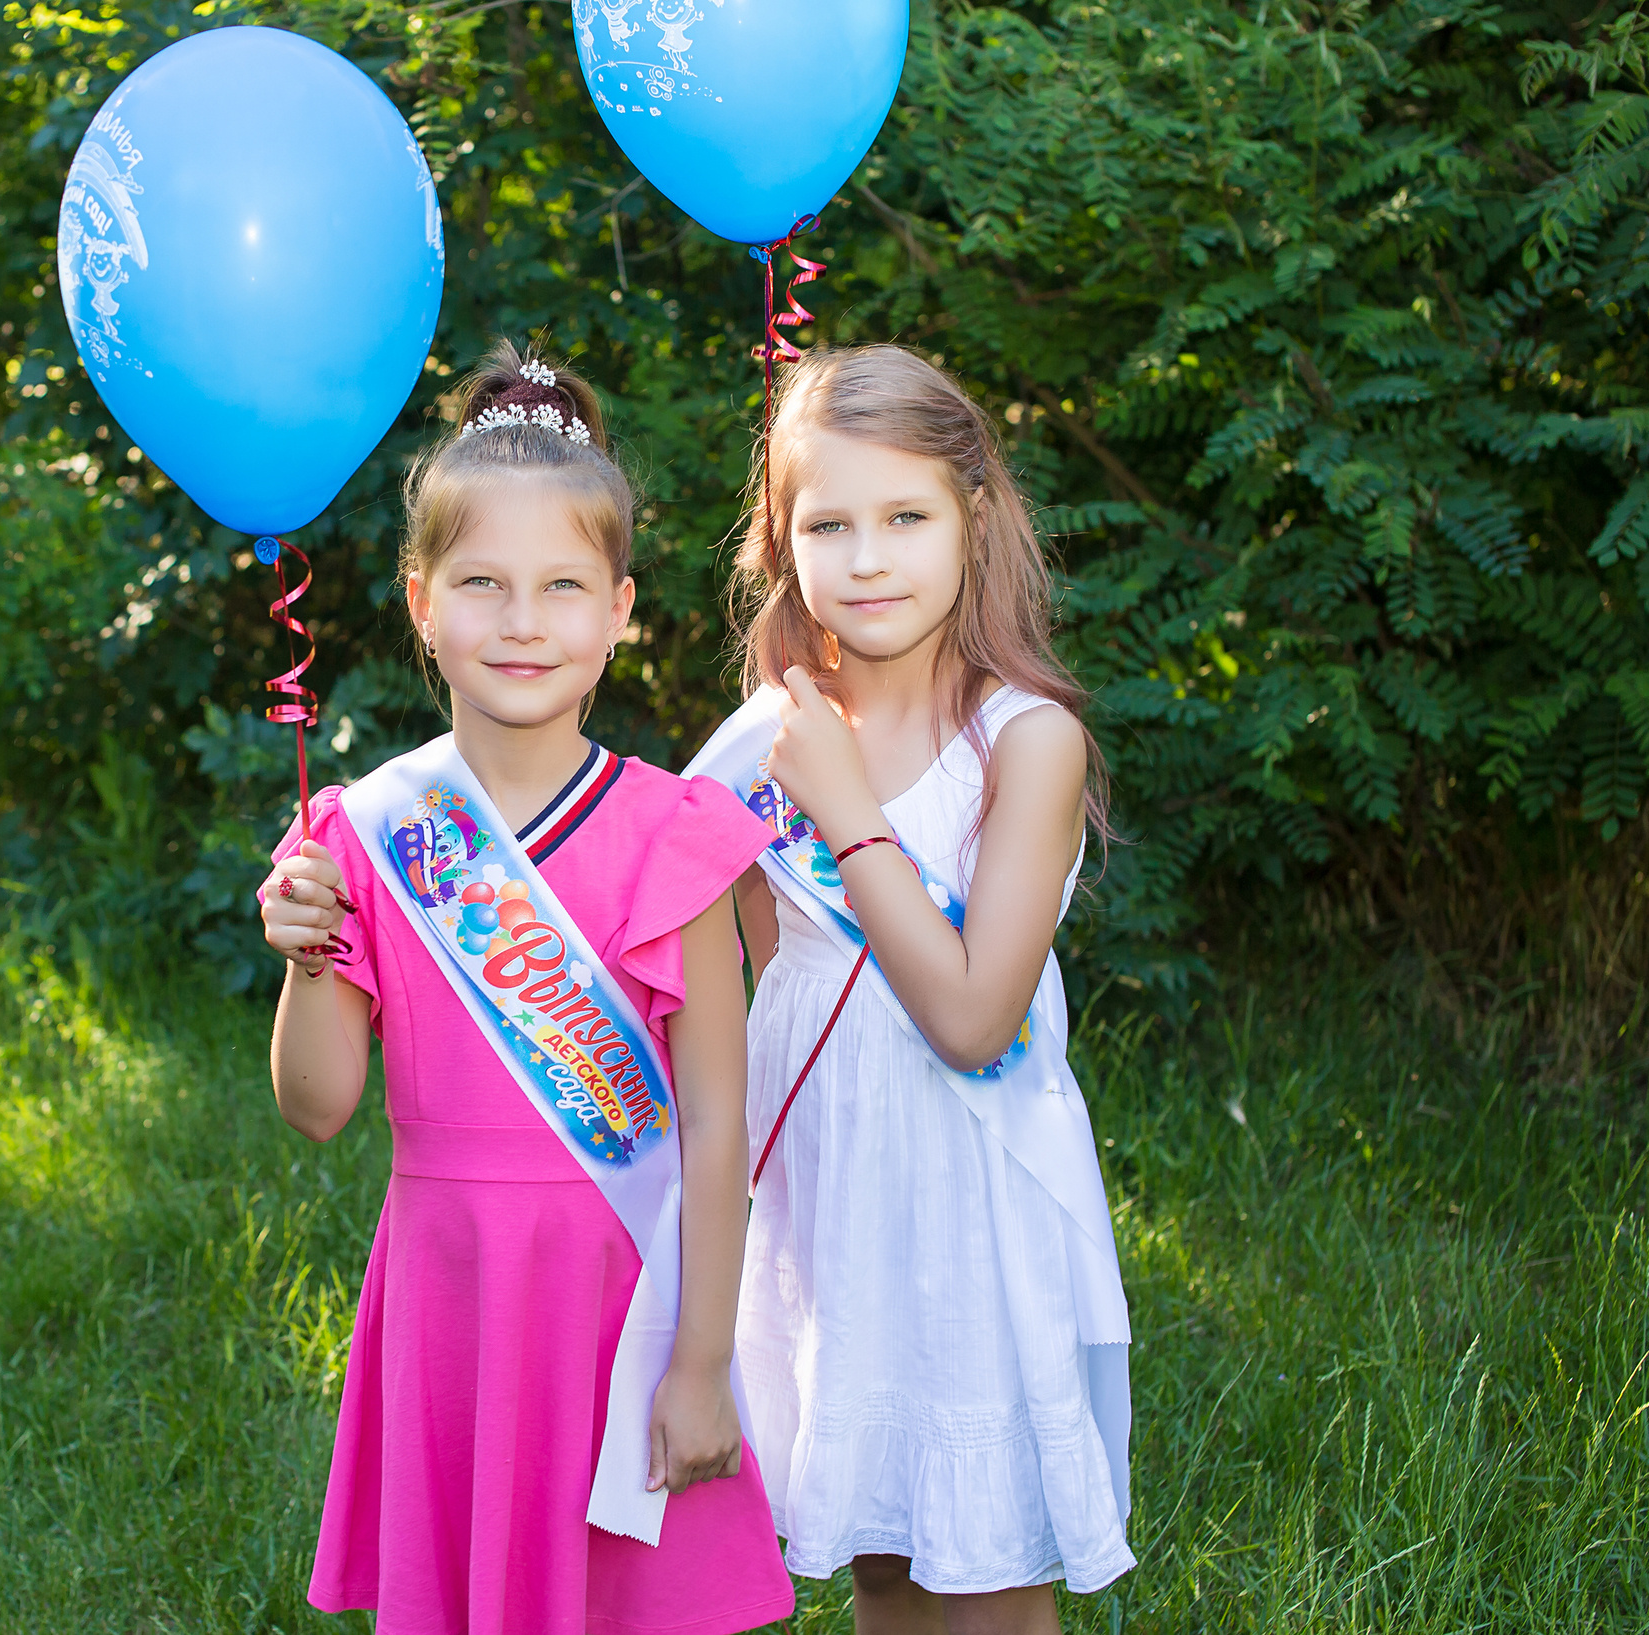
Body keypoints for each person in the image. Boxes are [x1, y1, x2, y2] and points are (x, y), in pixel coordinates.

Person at [258, 341, 796, 1635]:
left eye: (562, 587)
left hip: (625, 1299)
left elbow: (718, 1124)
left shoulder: (675, 835)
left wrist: (706, 1363)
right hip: (450, 1296)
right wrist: (310, 953)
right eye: (483, 584)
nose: (521, 620)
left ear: (620, 608)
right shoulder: (376, 830)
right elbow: (318, 1106)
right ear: (421, 600)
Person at [686, 344, 1135, 1634]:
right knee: (882, 1553)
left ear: (973, 518)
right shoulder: (765, 736)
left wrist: (845, 810)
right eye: (829, 523)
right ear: (784, 542)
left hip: (967, 1199)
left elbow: (970, 1016)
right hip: (831, 1191)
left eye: (905, 517)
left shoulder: (1027, 741)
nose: (869, 557)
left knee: (984, 1565)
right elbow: (757, 975)